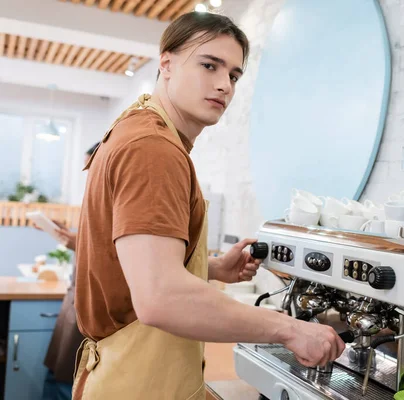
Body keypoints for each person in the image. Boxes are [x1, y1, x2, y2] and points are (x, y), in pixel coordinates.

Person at [72, 12, 345, 400]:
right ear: (166, 63)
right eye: (209, 65)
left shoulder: (139, 129)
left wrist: (209, 267)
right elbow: (160, 297)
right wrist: (290, 328)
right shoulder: (153, 149)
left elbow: (134, 268)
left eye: (233, 75)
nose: (224, 85)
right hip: (138, 382)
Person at [40, 142, 99, 400]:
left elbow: (113, 256)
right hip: (74, 299)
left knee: (68, 381)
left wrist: (78, 243)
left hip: (88, 304)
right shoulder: (94, 200)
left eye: (90, 166)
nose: (87, 173)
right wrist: (65, 232)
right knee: (55, 374)